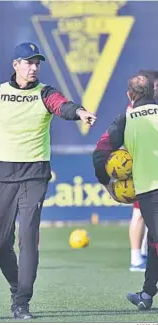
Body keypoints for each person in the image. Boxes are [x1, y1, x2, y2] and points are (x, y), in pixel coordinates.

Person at [0, 42, 96, 319]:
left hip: (35, 174)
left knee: (28, 237)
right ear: (15, 65)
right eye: (28, 62)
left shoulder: (45, 93)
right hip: (3, 174)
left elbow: (62, 106)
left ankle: (22, 301)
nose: (33, 67)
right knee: (1, 243)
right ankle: (15, 285)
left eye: (37, 63)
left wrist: (79, 112)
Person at [93, 74, 158, 310]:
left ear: (129, 96)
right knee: (153, 242)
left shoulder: (126, 119)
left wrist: (107, 183)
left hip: (150, 190)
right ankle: (147, 294)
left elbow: (100, 154)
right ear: (153, 93)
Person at [128, 70, 158, 272]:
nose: (156, 89)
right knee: (139, 213)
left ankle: (144, 255)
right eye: (155, 86)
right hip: (145, 172)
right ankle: (136, 257)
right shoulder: (134, 112)